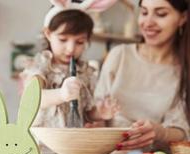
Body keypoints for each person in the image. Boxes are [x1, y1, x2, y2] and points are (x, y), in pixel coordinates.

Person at [94, 0, 190, 152]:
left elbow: (182, 132)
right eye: (144, 12)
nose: (148, 22)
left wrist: (160, 133)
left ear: (183, 17)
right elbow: (98, 110)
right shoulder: (119, 56)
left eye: (161, 14)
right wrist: (96, 122)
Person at [19, 0, 119, 128]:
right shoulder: (41, 64)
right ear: (48, 34)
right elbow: (31, 98)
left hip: (72, 144)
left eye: (79, 42)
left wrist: (99, 113)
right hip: (42, 144)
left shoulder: (85, 72)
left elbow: (85, 113)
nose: (71, 48)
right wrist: (61, 94)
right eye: (63, 40)